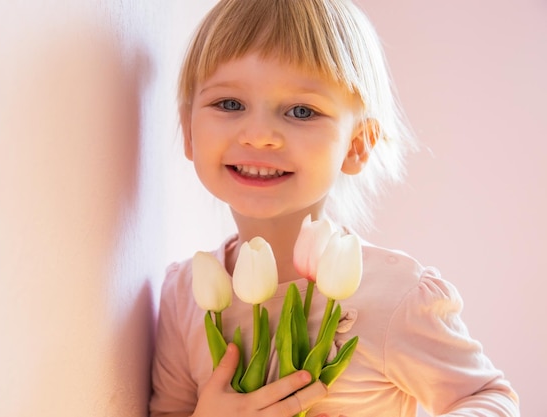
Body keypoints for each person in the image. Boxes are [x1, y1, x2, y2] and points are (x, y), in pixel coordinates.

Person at [149, 0, 520, 416]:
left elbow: (489, 398)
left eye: (302, 111)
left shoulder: (395, 296)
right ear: (189, 132)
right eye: (230, 104)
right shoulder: (186, 294)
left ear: (357, 145)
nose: (258, 135)